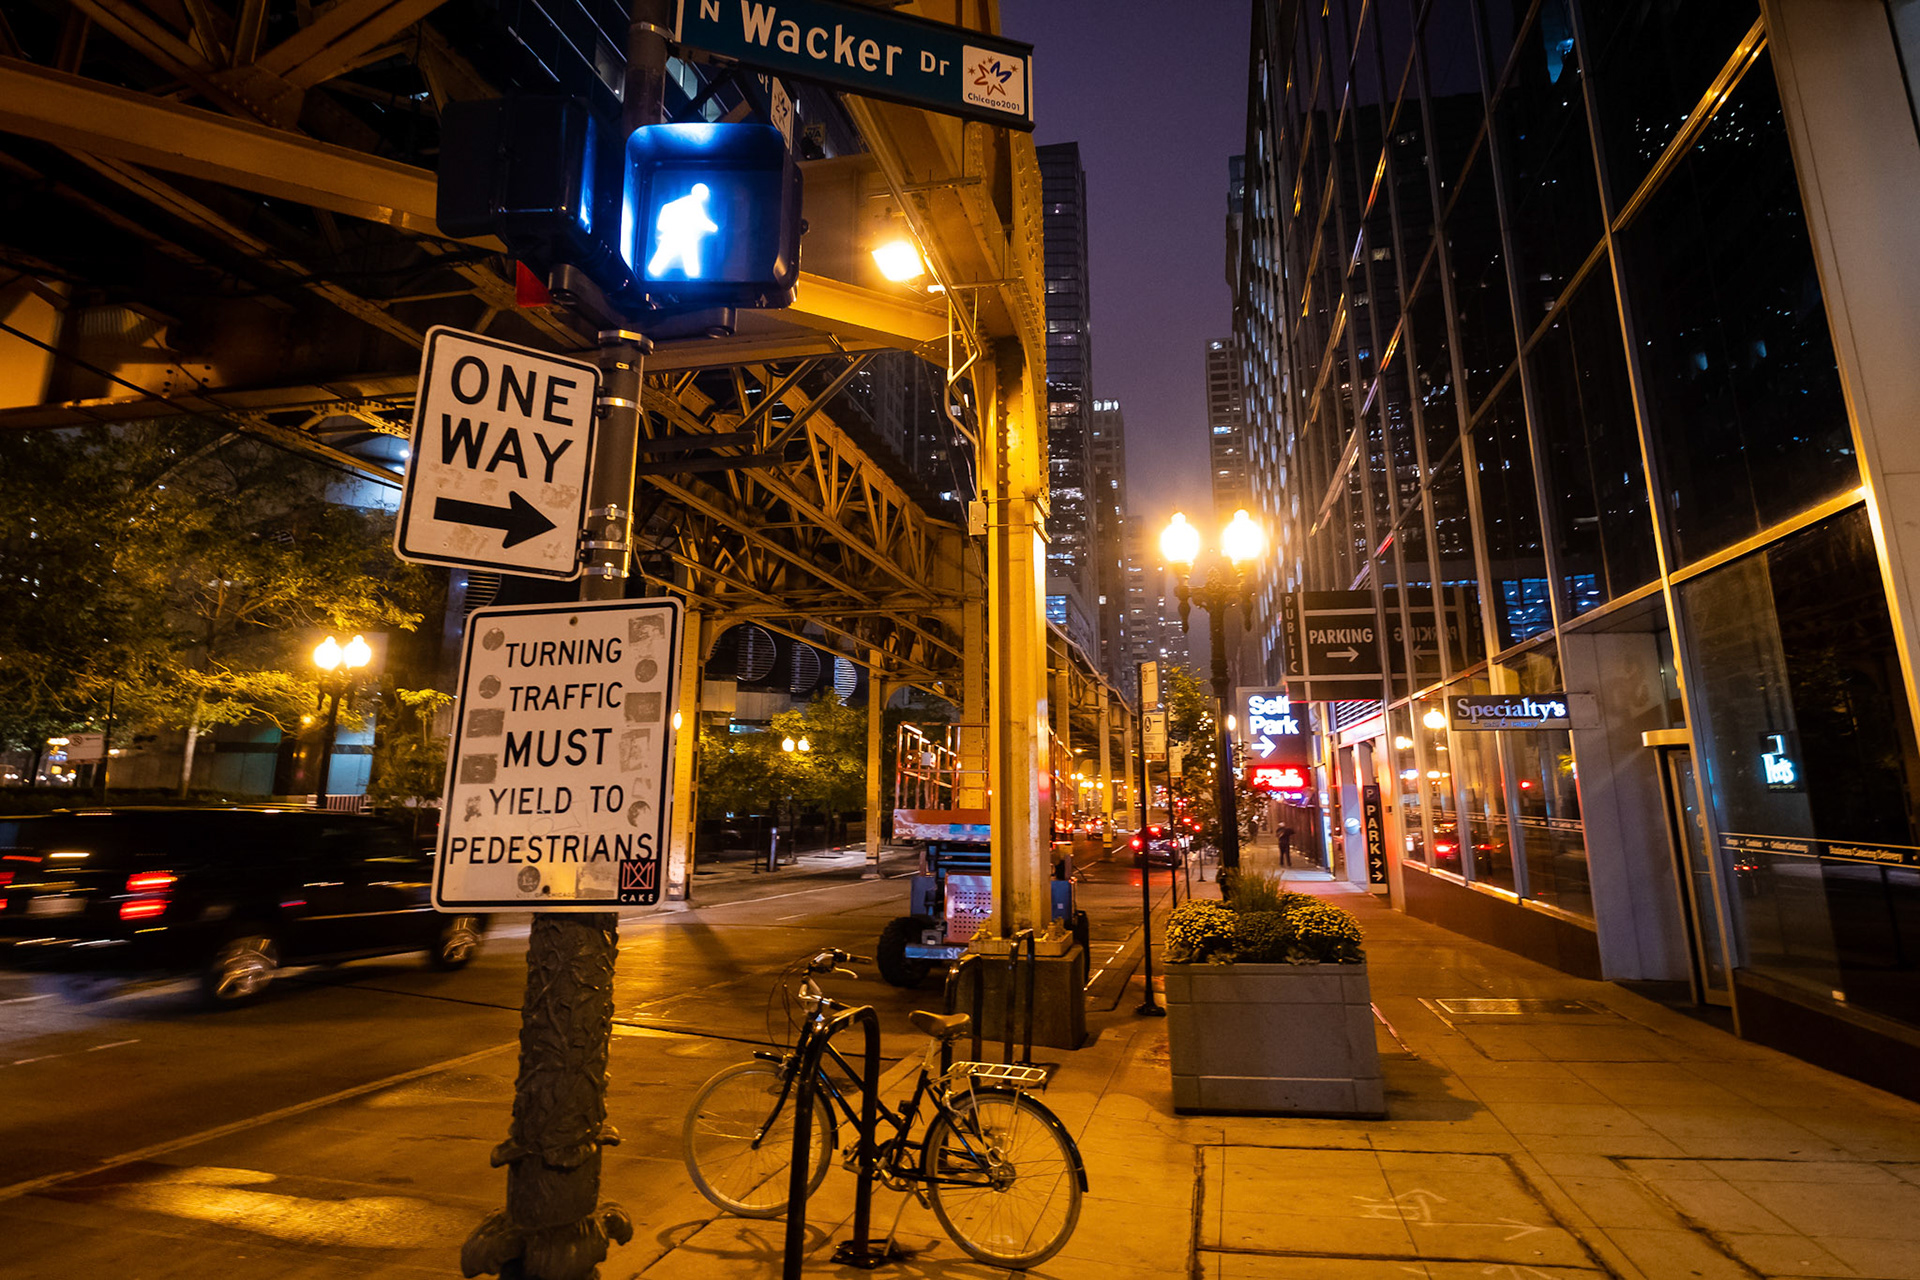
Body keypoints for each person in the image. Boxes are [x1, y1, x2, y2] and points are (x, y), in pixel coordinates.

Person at [647, 182, 718, 278]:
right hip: (681, 235)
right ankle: (652, 274)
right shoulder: (692, 204)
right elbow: (700, 220)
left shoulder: (688, 202)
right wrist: (713, 228)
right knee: (678, 256)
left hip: (678, 235)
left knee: (677, 256)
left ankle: (653, 273)